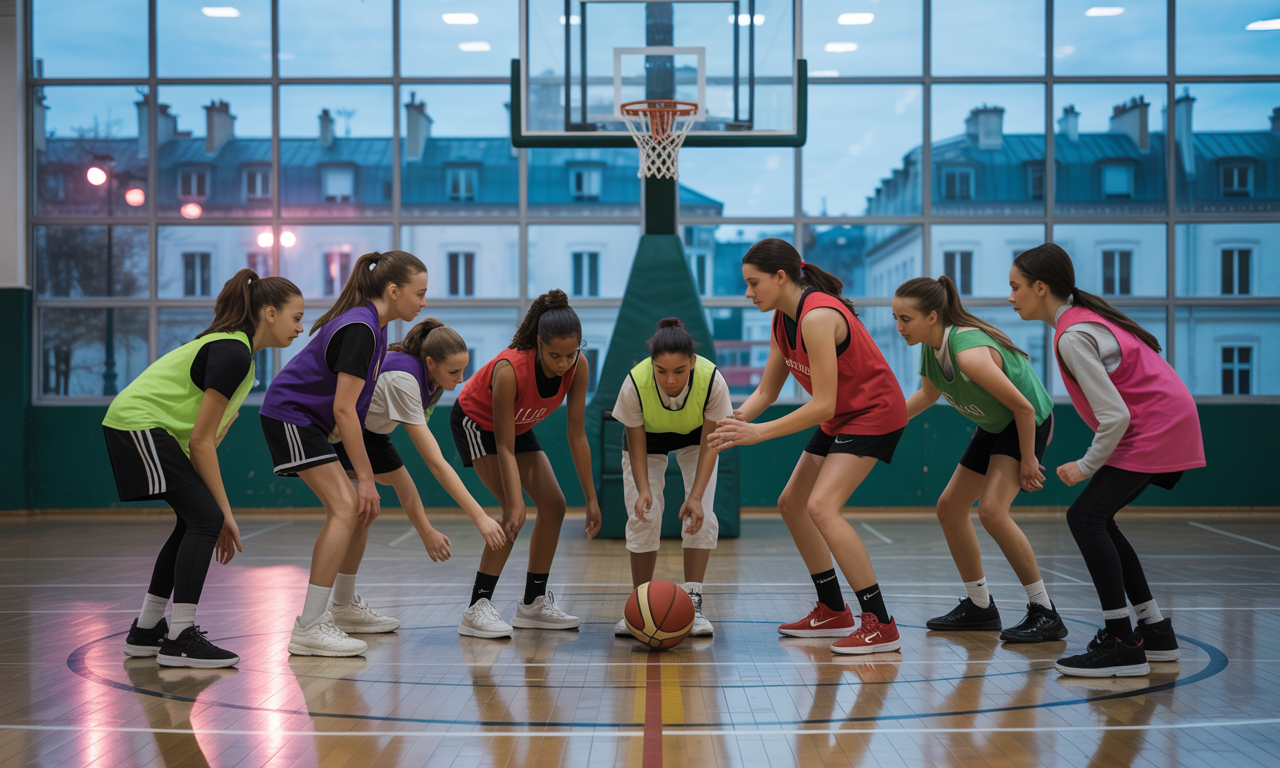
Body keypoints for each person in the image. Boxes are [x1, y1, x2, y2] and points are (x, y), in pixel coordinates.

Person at [1010, 243, 1205, 677]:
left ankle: (1121, 642)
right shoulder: (1080, 323)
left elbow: (1115, 415)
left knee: (1085, 518)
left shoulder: (1074, 335)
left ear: (1040, 288)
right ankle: (1154, 631)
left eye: (1015, 287)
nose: (1010, 297)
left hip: (1156, 428)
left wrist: (1086, 464)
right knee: (1098, 519)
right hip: (1165, 422)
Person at [708, 239, 908, 655]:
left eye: (753, 283)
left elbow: (822, 403)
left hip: (874, 412)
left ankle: (881, 622)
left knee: (821, 507)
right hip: (843, 415)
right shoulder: (782, 320)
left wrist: (759, 434)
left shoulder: (817, 317)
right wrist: (736, 420)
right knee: (792, 502)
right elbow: (766, 391)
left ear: (781, 277)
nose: (748, 293)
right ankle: (833, 609)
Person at [106, 269, 304, 667]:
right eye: (296, 317)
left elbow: (203, 441)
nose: (300, 328)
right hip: (137, 425)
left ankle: (147, 630)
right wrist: (223, 514)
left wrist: (216, 512)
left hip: (152, 431)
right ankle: (180, 636)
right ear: (269, 313)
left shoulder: (241, 358)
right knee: (205, 519)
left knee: (193, 521)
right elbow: (201, 440)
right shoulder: (232, 353)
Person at [259, 250, 428, 656]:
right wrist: (366, 478)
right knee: (346, 507)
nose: (424, 302)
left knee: (362, 509)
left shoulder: (377, 326)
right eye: (419, 293)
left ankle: (344, 606)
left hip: (318, 424)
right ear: (393, 290)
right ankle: (310, 625)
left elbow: (345, 411)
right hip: (292, 417)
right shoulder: (362, 329)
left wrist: (366, 481)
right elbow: (342, 409)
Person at [892, 275, 1068, 642]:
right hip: (995, 423)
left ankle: (1045, 610)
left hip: (1027, 420)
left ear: (933, 317)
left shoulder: (967, 352)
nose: (898, 327)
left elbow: (1022, 407)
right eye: (896, 318)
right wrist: (880, 424)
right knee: (949, 508)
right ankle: (980, 607)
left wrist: (1028, 460)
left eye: (905, 319)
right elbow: (926, 396)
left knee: (991, 511)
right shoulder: (931, 345)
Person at [327, 318, 507, 634]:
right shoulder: (403, 379)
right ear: (430, 362)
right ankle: (327, 611)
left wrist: (426, 530)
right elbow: (436, 463)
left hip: (373, 432)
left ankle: (343, 605)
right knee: (350, 512)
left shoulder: (431, 381)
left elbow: (406, 482)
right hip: (341, 431)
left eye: (464, 371)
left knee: (370, 508)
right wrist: (480, 517)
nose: (461, 379)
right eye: (454, 372)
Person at [450, 290, 602, 638]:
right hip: (477, 423)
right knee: (512, 515)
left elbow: (577, 435)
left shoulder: (578, 367)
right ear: (537, 343)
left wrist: (591, 497)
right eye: (554, 355)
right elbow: (503, 443)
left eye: (571, 353)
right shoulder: (509, 370)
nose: (563, 363)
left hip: (516, 426)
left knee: (555, 506)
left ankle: (533, 604)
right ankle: (477, 607)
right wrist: (515, 500)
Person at [610, 317, 733, 639]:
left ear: (692, 362)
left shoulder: (712, 382)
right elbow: (636, 444)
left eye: (679, 371)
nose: (669, 379)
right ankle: (640, 604)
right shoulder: (635, 383)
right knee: (644, 515)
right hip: (647, 441)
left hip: (698, 440)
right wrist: (643, 490)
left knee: (701, 516)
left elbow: (710, 444)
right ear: (652, 364)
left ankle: (693, 600)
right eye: (661, 371)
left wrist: (694, 497)